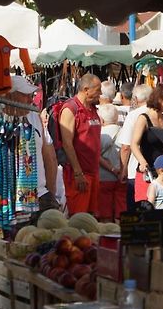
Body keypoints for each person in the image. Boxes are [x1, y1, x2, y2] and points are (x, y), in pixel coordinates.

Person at [7, 76, 59, 213]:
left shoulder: (34, 117)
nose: (31, 100)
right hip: (8, 200)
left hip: (40, 195)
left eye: (31, 95)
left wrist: (51, 193)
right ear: (10, 96)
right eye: (25, 95)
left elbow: (50, 157)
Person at [59, 73, 101, 216]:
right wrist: (78, 173)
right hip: (79, 174)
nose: (100, 93)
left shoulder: (92, 109)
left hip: (93, 173)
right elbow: (67, 143)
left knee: (91, 218)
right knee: (78, 218)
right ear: (86, 89)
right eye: (98, 89)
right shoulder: (71, 109)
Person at [131, 84, 163, 203]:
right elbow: (134, 144)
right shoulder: (144, 118)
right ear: (159, 99)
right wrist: (142, 161)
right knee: (145, 205)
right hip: (147, 170)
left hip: (162, 172)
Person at [118, 84, 153, 211]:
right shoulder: (161, 114)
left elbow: (126, 147)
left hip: (136, 171)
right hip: (157, 169)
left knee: (136, 211)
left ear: (136, 99)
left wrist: (123, 170)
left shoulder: (134, 115)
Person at [97, 104, 126, 222]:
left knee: (105, 212)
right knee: (121, 209)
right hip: (122, 176)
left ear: (102, 120)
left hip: (104, 177)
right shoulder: (124, 131)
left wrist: (112, 169)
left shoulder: (101, 134)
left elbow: (96, 156)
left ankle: (108, 233)